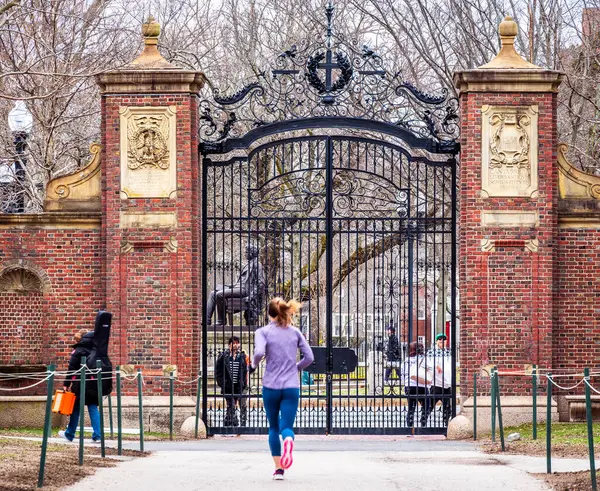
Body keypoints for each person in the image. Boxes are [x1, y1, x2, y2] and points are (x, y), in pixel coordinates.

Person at [251, 297, 314, 480]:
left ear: (268, 313)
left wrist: (254, 366)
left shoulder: (263, 332)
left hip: (271, 385)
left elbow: (258, 353)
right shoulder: (295, 332)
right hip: (291, 386)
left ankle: (278, 469)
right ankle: (288, 440)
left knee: (273, 427)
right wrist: (296, 367)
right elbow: (309, 356)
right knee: (286, 426)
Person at [206, 244, 266, 326]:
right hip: (237, 286)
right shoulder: (248, 264)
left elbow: (261, 283)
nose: (245, 254)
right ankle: (207, 321)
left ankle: (221, 321)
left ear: (252, 253)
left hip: (244, 290)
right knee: (213, 293)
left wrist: (252, 295)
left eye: (247, 252)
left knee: (219, 294)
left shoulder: (257, 265)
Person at [58, 329, 102, 443]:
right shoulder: (96, 350)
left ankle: (70, 433)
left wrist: (66, 384)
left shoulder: (78, 351)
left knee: (75, 408)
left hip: (79, 383)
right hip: (94, 382)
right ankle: (98, 435)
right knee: (93, 408)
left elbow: (72, 369)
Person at [215, 336, 248, 427]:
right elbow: (218, 371)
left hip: (238, 386)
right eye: (233, 343)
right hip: (227, 386)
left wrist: (243, 383)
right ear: (229, 345)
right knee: (231, 404)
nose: (235, 345)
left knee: (232, 405)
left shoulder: (241, 356)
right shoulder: (223, 356)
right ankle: (234, 424)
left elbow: (244, 371)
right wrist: (222, 383)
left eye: (237, 343)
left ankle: (228, 422)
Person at [403, 341, 433, 428]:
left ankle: (410, 423)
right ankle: (423, 420)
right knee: (426, 405)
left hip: (409, 385)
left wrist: (405, 383)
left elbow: (403, 373)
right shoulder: (424, 359)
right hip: (422, 386)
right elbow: (431, 370)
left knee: (411, 406)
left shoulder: (406, 360)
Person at [424, 333, 452, 426]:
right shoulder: (432, 352)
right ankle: (423, 420)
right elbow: (427, 363)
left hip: (447, 383)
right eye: (439, 339)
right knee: (431, 404)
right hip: (436, 383)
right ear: (436, 341)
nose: (442, 340)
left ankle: (446, 422)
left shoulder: (448, 352)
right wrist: (436, 366)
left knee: (447, 405)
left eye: (444, 339)